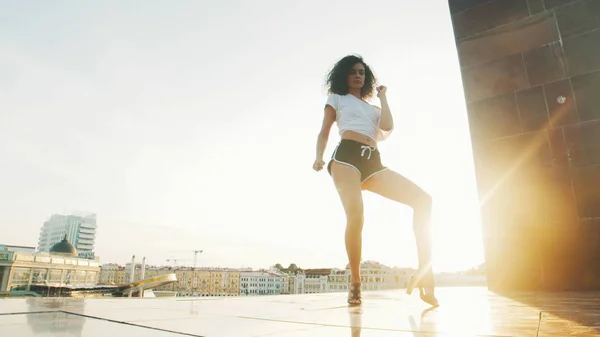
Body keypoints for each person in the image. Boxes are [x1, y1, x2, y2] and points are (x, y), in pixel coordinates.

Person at [313, 55, 438, 307]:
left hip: (373, 162)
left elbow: (388, 125)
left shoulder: (374, 109)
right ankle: (355, 283)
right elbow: (325, 130)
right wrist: (319, 157)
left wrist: (382, 97)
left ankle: (424, 272)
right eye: (352, 72)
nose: (358, 76)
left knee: (423, 200)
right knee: (356, 217)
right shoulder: (337, 99)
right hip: (346, 158)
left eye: (361, 72)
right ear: (343, 77)